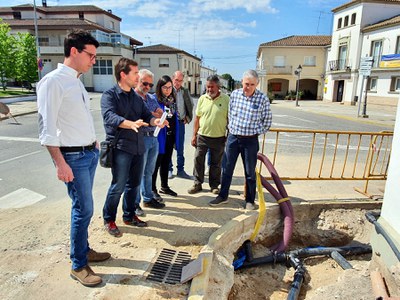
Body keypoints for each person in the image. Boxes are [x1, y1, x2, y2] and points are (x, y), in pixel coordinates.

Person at [37, 29, 110, 287]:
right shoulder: (53, 82)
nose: (93, 60)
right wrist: (60, 163)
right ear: (74, 51)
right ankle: (78, 265)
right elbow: (46, 128)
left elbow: (72, 120)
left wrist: (92, 141)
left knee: (83, 207)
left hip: (87, 152)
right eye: (90, 55)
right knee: (83, 209)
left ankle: (84, 249)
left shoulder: (76, 81)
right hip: (72, 157)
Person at [102, 58, 167, 237]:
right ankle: (109, 219)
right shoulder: (110, 95)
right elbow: (109, 116)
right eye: (135, 73)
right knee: (119, 185)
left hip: (138, 147)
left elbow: (147, 115)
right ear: (123, 75)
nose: (138, 76)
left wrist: (157, 122)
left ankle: (129, 215)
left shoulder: (135, 97)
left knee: (134, 184)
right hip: (121, 147)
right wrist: (129, 123)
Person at [209, 70, 272, 210]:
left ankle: (250, 200)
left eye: (251, 84)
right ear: (241, 82)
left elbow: (267, 122)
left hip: (250, 141)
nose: (247, 87)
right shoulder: (235, 95)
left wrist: (253, 131)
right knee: (226, 169)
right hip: (233, 138)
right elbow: (230, 113)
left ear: (257, 84)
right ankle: (222, 196)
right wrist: (232, 129)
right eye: (245, 84)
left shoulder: (262, 99)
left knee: (250, 172)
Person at [188, 75, 229, 195]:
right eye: (207, 87)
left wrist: (228, 134)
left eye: (212, 87)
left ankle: (214, 185)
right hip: (202, 136)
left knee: (216, 163)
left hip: (219, 137)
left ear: (218, 86)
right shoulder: (202, 99)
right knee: (198, 160)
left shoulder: (226, 99)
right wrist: (193, 135)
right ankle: (197, 183)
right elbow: (197, 118)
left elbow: (229, 118)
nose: (209, 89)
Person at [134, 69, 166, 216]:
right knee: (137, 173)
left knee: (149, 171)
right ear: (137, 80)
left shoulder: (151, 98)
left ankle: (147, 198)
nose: (147, 86)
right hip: (140, 139)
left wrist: (157, 114)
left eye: (150, 84)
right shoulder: (133, 98)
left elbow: (158, 112)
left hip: (153, 137)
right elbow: (141, 116)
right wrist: (153, 115)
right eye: (144, 83)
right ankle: (134, 204)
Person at [152, 75, 179, 198]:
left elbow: (174, 119)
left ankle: (164, 186)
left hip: (169, 136)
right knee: (155, 164)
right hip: (158, 138)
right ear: (159, 87)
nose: (167, 90)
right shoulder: (153, 100)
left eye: (170, 87)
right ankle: (152, 190)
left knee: (166, 162)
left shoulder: (172, 101)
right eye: (165, 87)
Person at [168, 70, 194, 179]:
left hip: (180, 123)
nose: (178, 83)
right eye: (176, 80)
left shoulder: (185, 91)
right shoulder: (167, 90)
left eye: (180, 80)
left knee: (180, 148)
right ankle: (169, 169)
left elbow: (191, 105)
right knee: (168, 146)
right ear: (172, 79)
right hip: (169, 124)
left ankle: (181, 170)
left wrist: (187, 118)